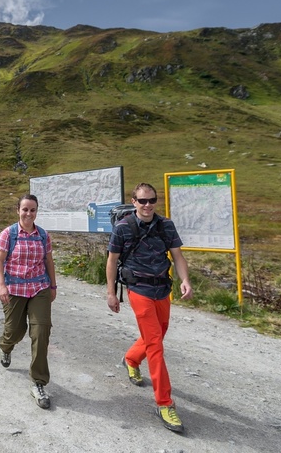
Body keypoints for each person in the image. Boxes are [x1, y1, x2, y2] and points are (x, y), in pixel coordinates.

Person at [105, 182, 192, 433]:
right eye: (142, 201)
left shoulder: (166, 225)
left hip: (163, 289)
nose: (147, 205)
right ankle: (164, 403)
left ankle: (131, 359)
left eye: (151, 200)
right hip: (139, 289)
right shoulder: (123, 228)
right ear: (133, 202)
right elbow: (111, 262)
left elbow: (178, 256)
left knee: (158, 334)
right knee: (155, 344)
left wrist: (185, 280)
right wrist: (111, 293)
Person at [0, 194, 58, 409]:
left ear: (37, 211)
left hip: (39, 287)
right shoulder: (8, 234)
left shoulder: (43, 235)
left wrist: (53, 286)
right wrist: (1, 285)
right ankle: (5, 346)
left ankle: (38, 382)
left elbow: (48, 260)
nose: (29, 214)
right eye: (25, 209)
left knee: (41, 331)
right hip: (14, 288)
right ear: (18, 210)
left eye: (32, 210)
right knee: (15, 330)